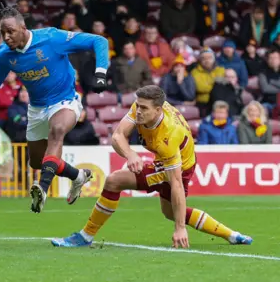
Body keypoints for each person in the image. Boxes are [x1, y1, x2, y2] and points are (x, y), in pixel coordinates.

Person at [0, 5, 110, 214]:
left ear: (23, 28)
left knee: (57, 130)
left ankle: (42, 188)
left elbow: (99, 41)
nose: (6, 37)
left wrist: (101, 72)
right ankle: (78, 176)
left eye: (10, 31)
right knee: (36, 161)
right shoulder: (5, 54)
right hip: (36, 108)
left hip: (65, 100)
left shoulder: (51, 38)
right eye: (2, 33)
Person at [51, 85, 252, 249]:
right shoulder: (142, 108)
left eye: (144, 108)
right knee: (170, 212)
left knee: (114, 181)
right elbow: (118, 135)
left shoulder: (168, 135)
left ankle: (85, 236)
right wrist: (130, 154)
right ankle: (232, 235)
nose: (138, 111)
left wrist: (180, 228)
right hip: (166, 161)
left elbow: (176, 183)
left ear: (158, 110)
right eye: (138, 106)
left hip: (178, 166)